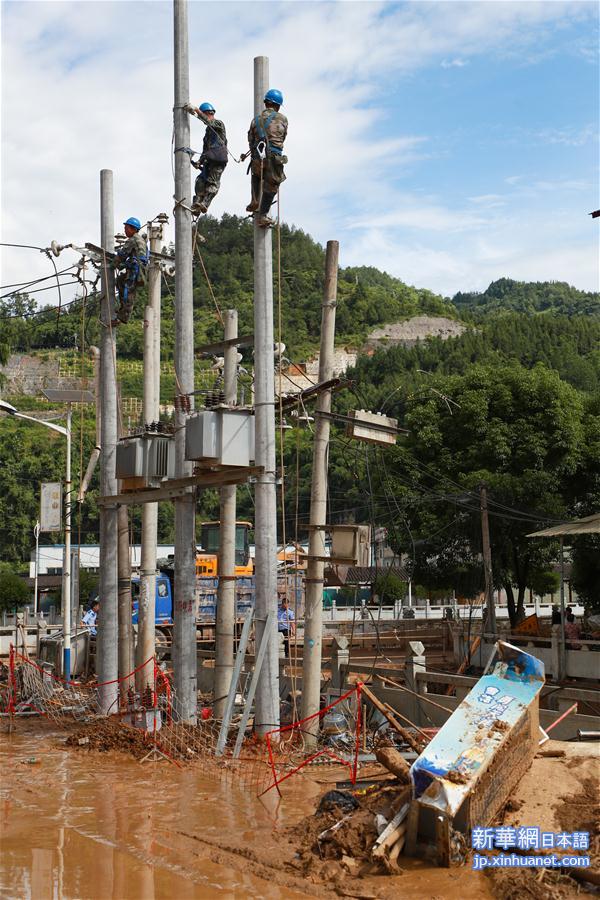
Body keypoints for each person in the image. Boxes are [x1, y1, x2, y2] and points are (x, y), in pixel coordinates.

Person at [246, 88, 287, 227]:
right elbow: (283, 137)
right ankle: (263, 214)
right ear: (277, 105)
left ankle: (254, 198)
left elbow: (250, 140)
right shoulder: (282, 119)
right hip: (274, 157)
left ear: (266, 103)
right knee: (272, 184)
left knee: (256, 174)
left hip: (258, 157)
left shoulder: (255, 120)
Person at [184, 102, 228, 214]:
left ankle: (205, 204)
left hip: (218, 159)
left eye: (204, 115)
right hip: (209, 160)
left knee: (212, 183)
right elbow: (205, 151)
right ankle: (197, 203)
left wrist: (197, 111)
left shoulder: (218, 124)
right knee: (200, 181)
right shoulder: (207, 133)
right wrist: (199, 162)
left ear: (209, 113)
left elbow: (209, 121)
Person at [112, 217, 148, 325]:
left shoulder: (133, 240)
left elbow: (122, 255)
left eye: (126, 228)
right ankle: (122, 310)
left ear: (133, 229)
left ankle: (122, 317)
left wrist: (112, 265)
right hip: (139, 270)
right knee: (119, 281)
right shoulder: (142, 240)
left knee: (128, 292)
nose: (124, 230)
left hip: (134, 271)